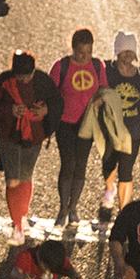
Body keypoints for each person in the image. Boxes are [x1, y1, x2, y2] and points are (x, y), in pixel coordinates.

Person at [0, 50, 61, 246]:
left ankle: (21, 216)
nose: (25, 79)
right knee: (12, 179)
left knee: (26, 177)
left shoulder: (43, 81)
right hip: (9, 136)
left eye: (28, 75)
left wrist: (45, 110)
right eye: (21, 76)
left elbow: (57, 102)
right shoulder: (3, 82)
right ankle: (17, 224)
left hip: (33, 137)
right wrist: (9, 111)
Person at [96, 32, 140, 224]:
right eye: (124, 51)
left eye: (130, 51)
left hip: (132, 133)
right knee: (109, 166)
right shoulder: (107, 71)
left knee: (126, 171)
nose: (127, 55)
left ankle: (124, 212)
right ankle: (109, 192)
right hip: (109, 130)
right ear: (117, 52)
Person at [48, 30, 108, 231]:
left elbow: (104, 90)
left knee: (80, 165)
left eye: (89, 52)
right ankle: (63, 208)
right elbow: (50, 93)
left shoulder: (98, 66)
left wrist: (98, 101)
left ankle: (73, 207)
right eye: (81, 52)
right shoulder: (61, 67)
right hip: (65, 123)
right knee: (68, 164)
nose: (85, 56)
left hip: (87, 124)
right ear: (73, 48)